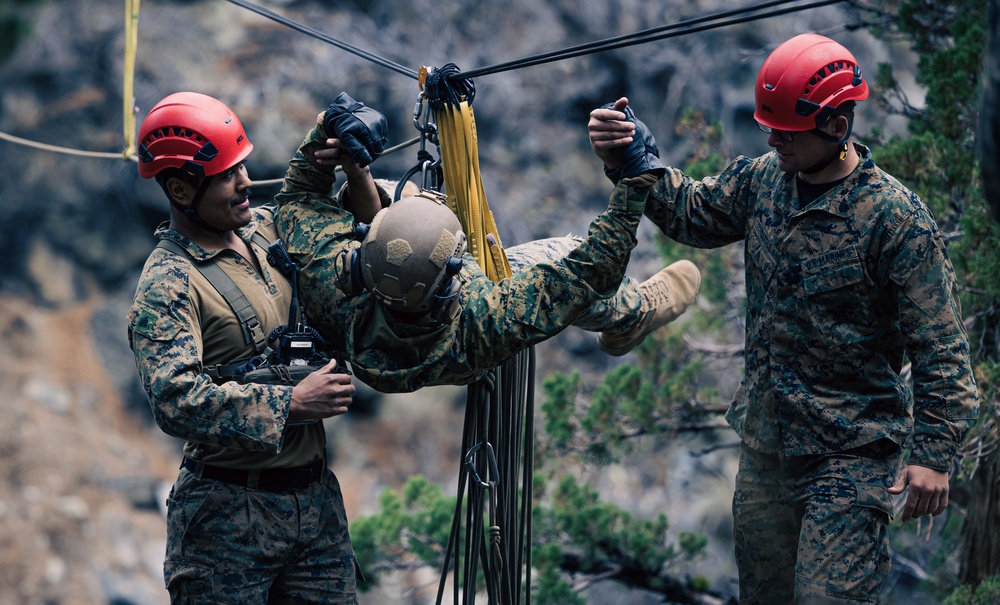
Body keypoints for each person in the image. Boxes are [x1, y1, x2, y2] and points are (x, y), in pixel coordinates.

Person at [588, 33, 980, 604]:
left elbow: (941, 348)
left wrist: (933, 456)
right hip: (766, 453)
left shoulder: (894, 219)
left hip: (850, 458)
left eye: (787, 132)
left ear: (837, 127)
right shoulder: (764, 180)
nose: (772, 140)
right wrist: (633, 160)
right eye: (768, 127)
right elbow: (694, 215)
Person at [271, 93, 702, 393]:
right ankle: (631, 316)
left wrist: (332, 131)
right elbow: (590, 271)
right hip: (453, 337)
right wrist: (636, 178)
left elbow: (299, 197)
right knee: (563, 259)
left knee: (394, 205)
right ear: (454, 283)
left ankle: (375, 194)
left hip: (383, 318)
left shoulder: (330, 280)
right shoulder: (481, 321)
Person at [127, 92, 361, 604]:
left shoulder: (264, 232)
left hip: (315, 508)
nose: (246, 182)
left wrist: (336, 142)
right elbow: (175, 399)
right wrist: (292, 404)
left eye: (243, 165)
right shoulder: (169, 283)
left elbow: (312, 200)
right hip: (226, 522)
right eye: (228, 174)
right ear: (181, 187)